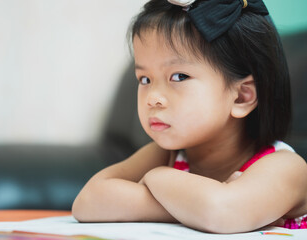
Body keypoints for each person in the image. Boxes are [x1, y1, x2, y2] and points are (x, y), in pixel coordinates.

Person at [72, 0, 307, 233]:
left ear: (241, 97)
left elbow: (222, 213)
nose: (152, 98)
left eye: (179, 77)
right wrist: (188, 208)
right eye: (145, 79)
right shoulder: (169, 154)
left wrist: (157, 177)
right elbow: (88, 201)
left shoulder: (285, 167)